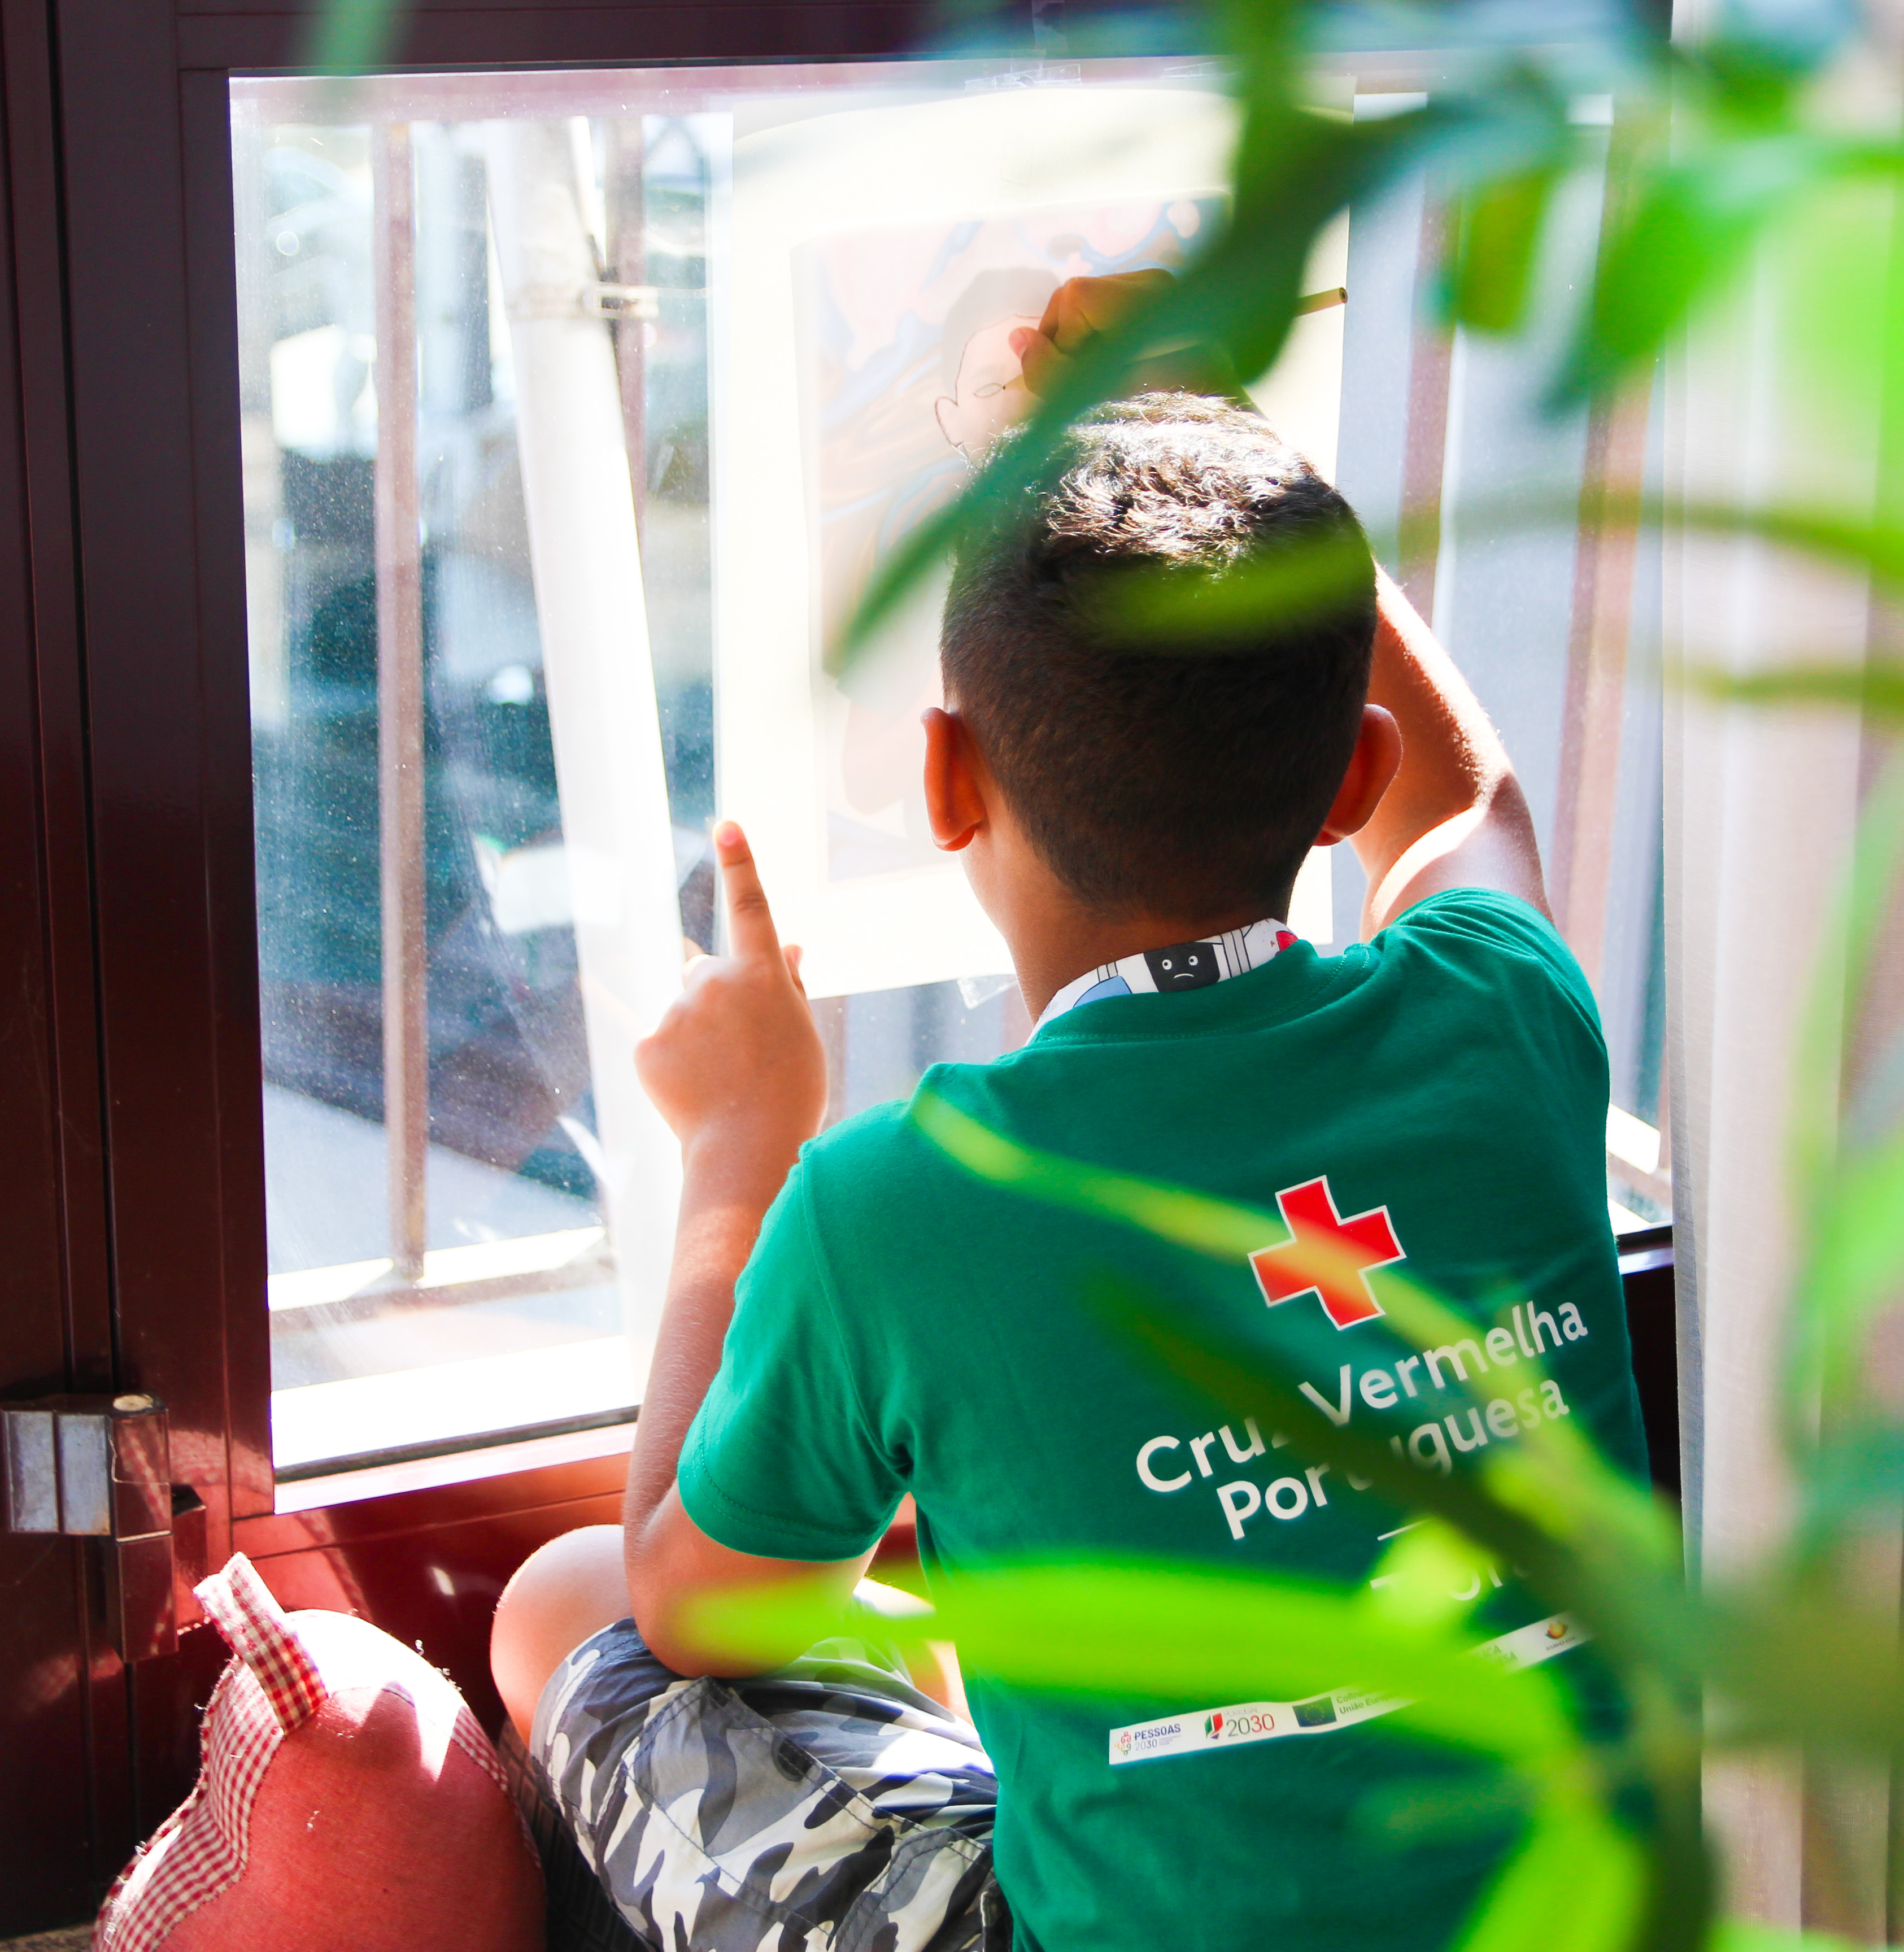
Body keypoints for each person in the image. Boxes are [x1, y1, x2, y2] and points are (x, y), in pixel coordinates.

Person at [491, 277, 1646, 1952]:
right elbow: (1469, 805)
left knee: (565, 1611)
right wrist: (1233, 447)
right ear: (1345, 773)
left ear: (946, 778)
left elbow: (692, 1611)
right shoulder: (1503, 1015)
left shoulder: (899, 1204)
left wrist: (742, 1149)